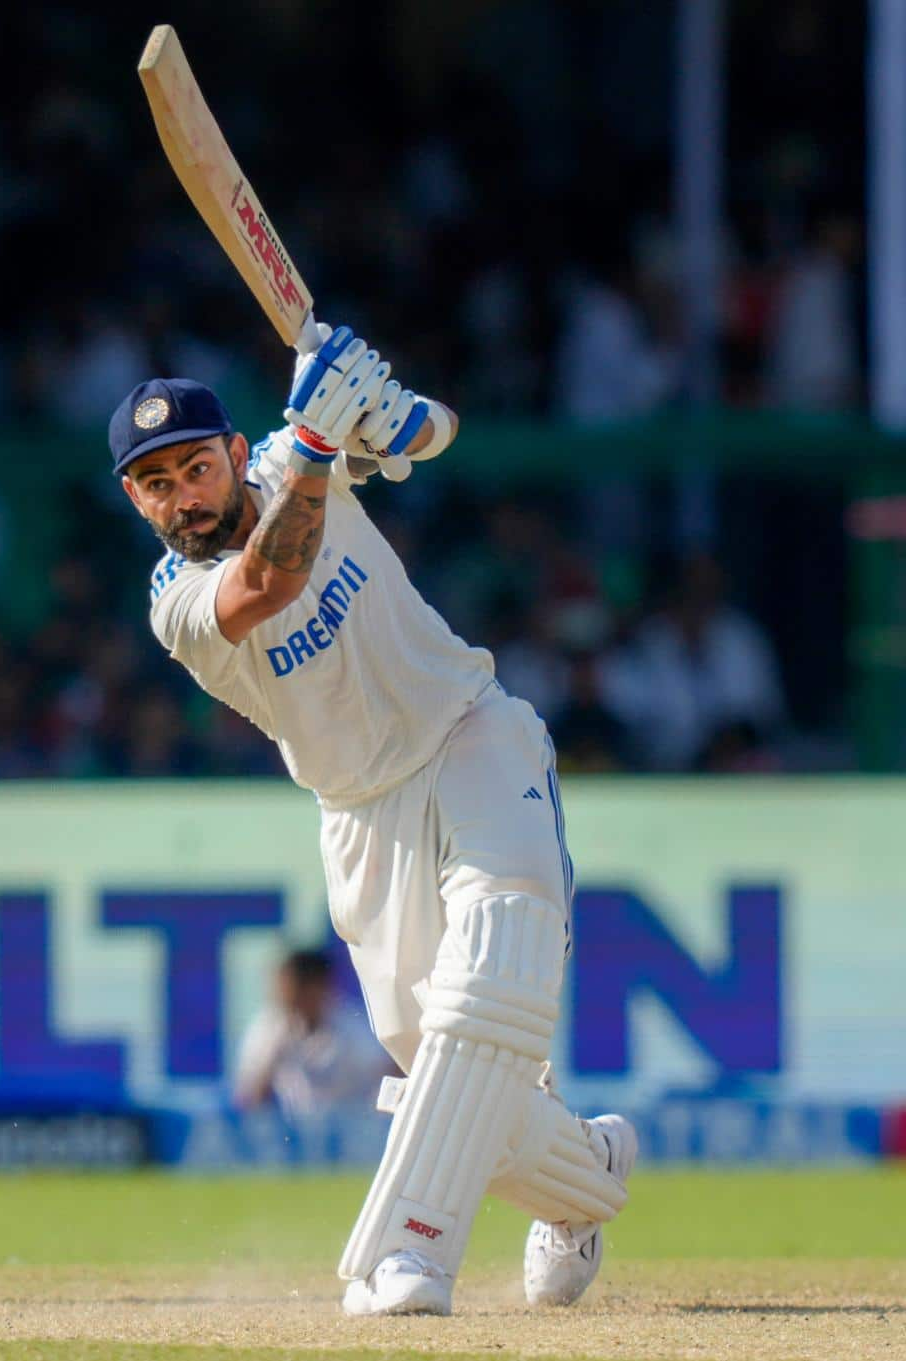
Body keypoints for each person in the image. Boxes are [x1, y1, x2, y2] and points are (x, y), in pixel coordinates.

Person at [112, 328, 634, 1317]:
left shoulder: (289, 456)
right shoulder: (176, 602)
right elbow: (272, 578)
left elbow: (436, 431)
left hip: (469, 733)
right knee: (449, 1057)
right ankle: (590, 1177)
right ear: (135, 502)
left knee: (498, 953)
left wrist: (388, 411)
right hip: (362, 817)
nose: (182, 495)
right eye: (154, 485)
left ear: (230, 451)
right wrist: (318, 437)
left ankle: (409, 1254)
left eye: (193, 466)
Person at [231, 949, 395, 1119]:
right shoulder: (268, 1029)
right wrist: (273, 1056)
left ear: (316, 988)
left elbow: (388, 1075)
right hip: (293, 1136)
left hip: (349, 1135)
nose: (283, 997)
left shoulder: (350, 1027)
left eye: (293, 989)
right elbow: (248, 1098)